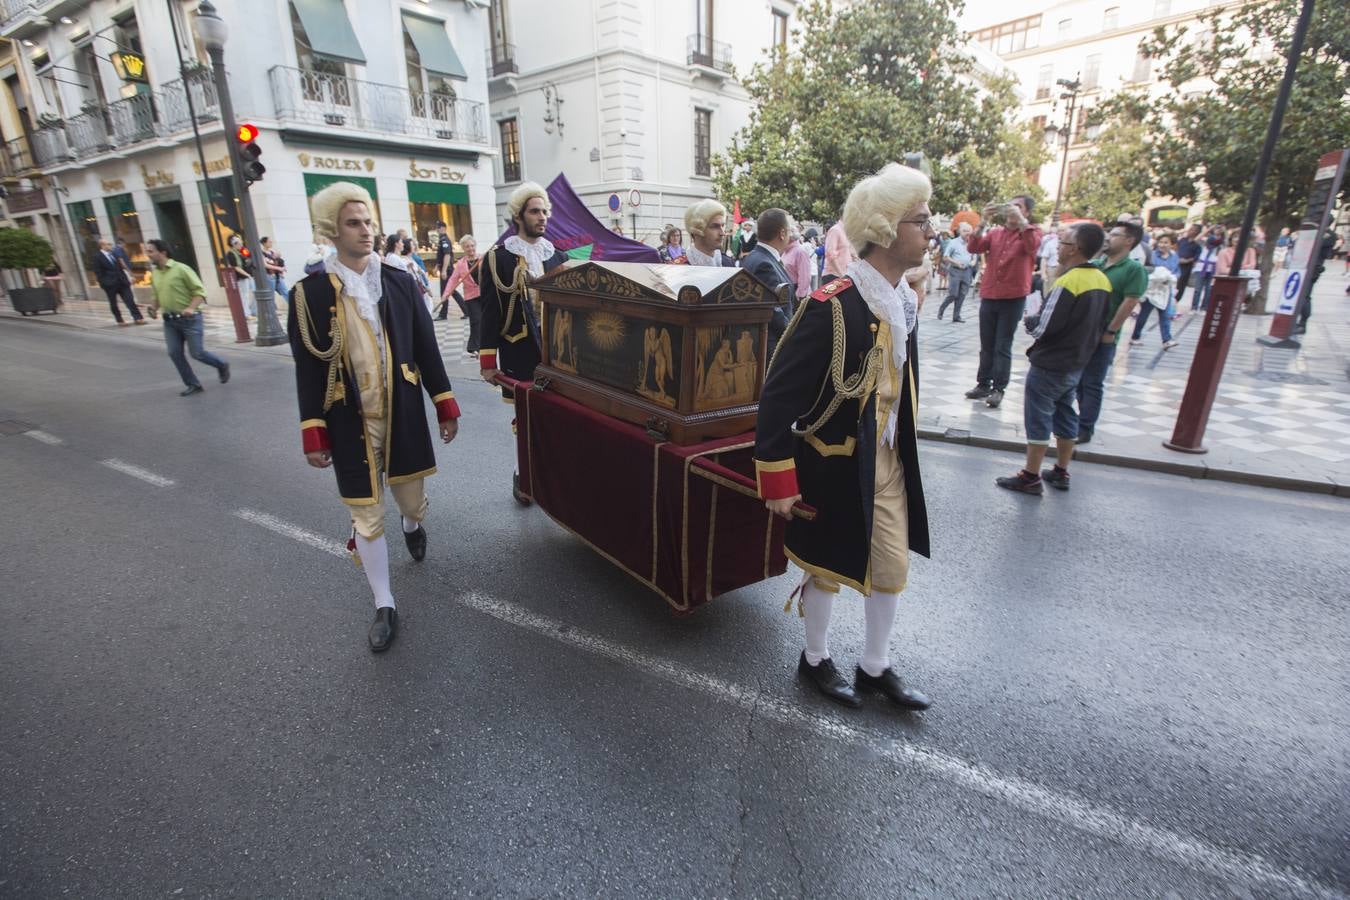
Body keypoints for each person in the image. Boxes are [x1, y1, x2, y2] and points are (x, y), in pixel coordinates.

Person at [754, 161, 934, 712]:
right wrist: (778, 479)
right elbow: (778, 397)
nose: (931, 230)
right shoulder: (831, 305)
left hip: (888, 461)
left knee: (889, 564)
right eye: (920, 220)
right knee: (828, 564)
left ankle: (875, 666)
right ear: (884, 229)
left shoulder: (901, 302)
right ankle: (814, 659)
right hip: (833, 460)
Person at [287, 181, 461, 653]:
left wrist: (444, 403)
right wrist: (313, 433)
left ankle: (412, 523)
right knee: (366, 517)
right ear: (331, 231)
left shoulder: (401, 282)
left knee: (409, 501)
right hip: (348, 421)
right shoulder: (309, 295)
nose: (366, 231)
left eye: (369, 223)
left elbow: (426, 348)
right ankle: (385, 602)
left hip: (400, 411)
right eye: (354, 223)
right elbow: (309, 369)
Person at [996, 224, 1112, 495]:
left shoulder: (1069, 282)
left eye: (1063, 243)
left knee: (1038, 417)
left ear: (1076, 249)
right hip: (1077, 362)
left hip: (1052, 362)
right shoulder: (1102, 280)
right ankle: (1061, 470)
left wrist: (1030, 322)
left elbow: (1045, 327)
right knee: (1066, 414)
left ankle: (1031, 475)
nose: (1058, 248)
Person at [478, 182, 569, 504]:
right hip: (519, 347)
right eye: (535, 211)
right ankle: (523, 473)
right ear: (519, 215)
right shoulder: (498, 259)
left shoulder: (557, 256)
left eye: (545, 211)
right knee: (525, 416)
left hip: (559, 353)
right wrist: (488, 360)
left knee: (556, 416)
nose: (542, 216)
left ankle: (549, 474)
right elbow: (489, 311)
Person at [963, 195, 1043, 410]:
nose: (1012, 210)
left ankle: (999, 388)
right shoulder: (996, 233)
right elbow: (973, 247)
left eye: (1019, 207)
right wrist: (983, 220)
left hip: (1013, 296)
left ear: (1026, 212)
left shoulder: (1031, 232)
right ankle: (983, 384)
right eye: (1011, 205)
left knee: (1002, 345)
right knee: (987, 344)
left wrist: (1023, 223)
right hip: (990, 294)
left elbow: (1033, 245)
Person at [1076, 220, 1148, 445]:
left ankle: (1085, 427)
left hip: (1103, 333)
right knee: (1078, 381)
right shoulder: (1097, 263)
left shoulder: (1133, 269)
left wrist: (1111, 330)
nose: (1109, 238)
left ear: (1129, 241)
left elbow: (1130, 301)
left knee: (1093, 382)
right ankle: (1079, 421)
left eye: (1115, 235)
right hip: (1083, 332)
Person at [145, 239, 230, 396]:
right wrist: (153, 308)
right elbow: (156, 295)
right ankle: (193, 384)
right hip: (170, 321)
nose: (147, 254)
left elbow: (199, 291)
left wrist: (191, 308)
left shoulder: (181, 269)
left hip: (190, 320)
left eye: (150, 251)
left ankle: (221, 364)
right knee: (174, 353)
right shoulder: (155, 274)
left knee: (196, 353)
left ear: (162, 252)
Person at [742, 208, 796, 347]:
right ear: (782, 234)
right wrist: (793, 335)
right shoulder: (764, 264)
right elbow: (773, 311)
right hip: (771, 347)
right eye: (789, 231)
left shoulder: (755, 256)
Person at [1132, 233, 1179, 348]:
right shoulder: (1152, 255)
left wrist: (1172, 278)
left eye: (1166, 242)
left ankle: (1166, 340)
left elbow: (1177, 271)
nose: (1162, 245)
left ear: (1172, 244)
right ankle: (1135, 336)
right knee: (1144, 313)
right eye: (1161, 242)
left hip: (1165, 289)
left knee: (1165, 314)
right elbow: (1148, 269)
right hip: (1151, 290)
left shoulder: (1174, 256)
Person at [442, 234, 483, 356]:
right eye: (467, 247)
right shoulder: (460, 264)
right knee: (476, 320)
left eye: (472, 246)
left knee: (486, 320)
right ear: (463, 249)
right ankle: (474, 347)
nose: (470, 249)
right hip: (471, 296)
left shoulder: (483, 259)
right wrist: (446, 294)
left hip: (485, 295)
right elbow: (453, 280)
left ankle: (487, 345)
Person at [92, 238, 144, 326]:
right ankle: (120, 320)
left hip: (122, 281)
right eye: (108, 244)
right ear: (102, 246)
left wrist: (127, 278)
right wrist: (104, 283)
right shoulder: (97, 256)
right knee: (113, 303)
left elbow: (120, 267)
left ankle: (137, 318)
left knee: (130, 299)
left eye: (110, 244)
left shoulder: (114, 254)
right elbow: (98, 272)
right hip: (110, 284)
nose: (110, 246)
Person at [937, 222, 974, 321]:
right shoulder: (953, 242)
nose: (967, 233)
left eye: (969, 231)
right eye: (964, 231)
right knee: (953, 294)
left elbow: (974, 254)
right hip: (955, 270)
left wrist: (973, 261)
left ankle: (956, 316)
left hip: (967, 271)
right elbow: (945, 257)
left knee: (962, 294)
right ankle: (942, 309)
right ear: (959, 232)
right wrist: (956, 262)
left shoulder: (971, 242)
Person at [683, 199, 737, 267]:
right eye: (715, 226)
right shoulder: (677, 268)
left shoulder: (729, 263)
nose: (722, 233)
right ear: (696, 231)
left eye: (722, 226)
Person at [781, 230, 815, 309]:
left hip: (796, 291)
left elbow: (805, 276)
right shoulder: (785, 250)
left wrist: (800, 294)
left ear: (790, 238)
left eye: (783, 235)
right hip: (788, 289)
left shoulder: (800, 251)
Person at [225, 234, 255, 318]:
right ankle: (246, 314)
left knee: (254, 292)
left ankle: (252, 311)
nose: (241, 245)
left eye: (241, 242)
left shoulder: (241, 251)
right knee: (244, 296)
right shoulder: (231, 254)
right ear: (233, 244)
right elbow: (236, 267)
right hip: (241, 278)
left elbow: (249, 259)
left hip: (248, 276)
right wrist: (247, 275)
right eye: (238, 243)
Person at [432, 222, 458, 319]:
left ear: (443, 228)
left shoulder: (444, 240)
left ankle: (443, 314)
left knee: (445, 292)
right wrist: (436, 267)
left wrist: (443, 271)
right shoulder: (441, 240)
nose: (437, 230)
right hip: (446, 269)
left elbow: (447, 255)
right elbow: (441, 257)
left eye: (438, 228)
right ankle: (466, 310)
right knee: (451, 291)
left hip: (447, 270)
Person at [1175, 223, 1202, 305]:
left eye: (1193, 230)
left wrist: (1187, 260)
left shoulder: (1197, 245)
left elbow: (1196, 257)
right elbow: (1176, 249)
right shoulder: (1182, 240)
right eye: (1190, 229)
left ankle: (1176, 300)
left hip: (1186, 267)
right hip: (1177, 263)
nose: (1191, 231)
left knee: (1181, 283)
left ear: (1197, 232)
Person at [261, 236, 287, 300]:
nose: (271, 243)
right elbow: (265, 265)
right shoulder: (261, 253)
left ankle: (293, 308)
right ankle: (272, 309)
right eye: (269, 242)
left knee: (285, 292)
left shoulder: (272, 251)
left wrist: (282, 270)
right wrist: (279, 268)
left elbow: (279, 260)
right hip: (270, 276)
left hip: (277, 275)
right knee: (271, 296)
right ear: (264, 243)